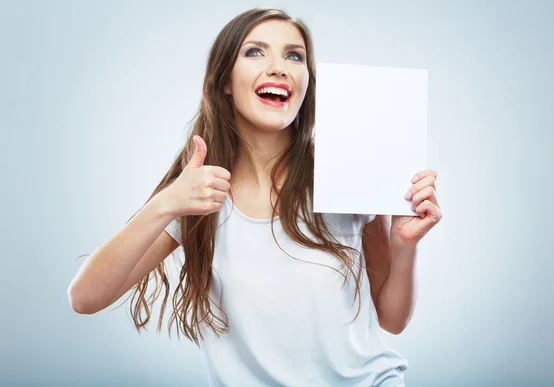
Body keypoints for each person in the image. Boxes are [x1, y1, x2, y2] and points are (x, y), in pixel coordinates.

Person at [68, 7, 442, 387]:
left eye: (293, 55)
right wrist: (167, 203)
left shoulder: (346, 171)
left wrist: (405, 245)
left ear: (307, 82)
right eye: (255, 51)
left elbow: (391, 320)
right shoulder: (198, 192)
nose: (279, 67)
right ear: (225, 81)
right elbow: (85, 297)